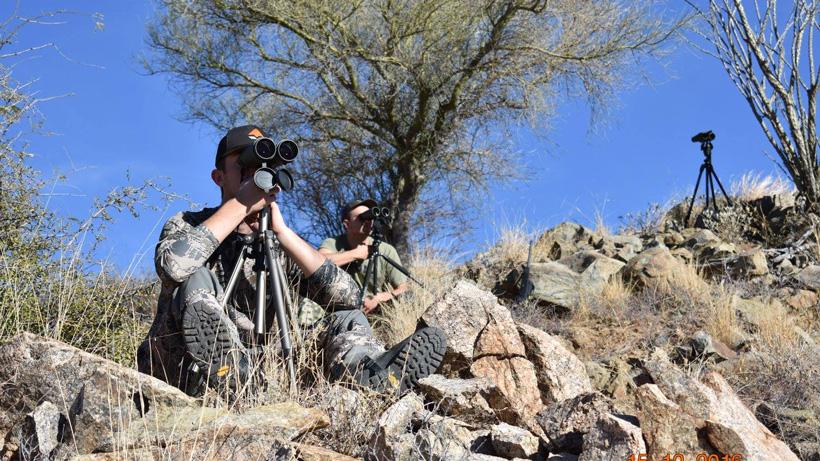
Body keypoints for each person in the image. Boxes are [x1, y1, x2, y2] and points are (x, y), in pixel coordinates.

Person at [136, 125, 445, 396]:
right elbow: (173, 267)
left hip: (258, 367)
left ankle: (370, 373)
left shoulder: (278, 243)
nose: (257, 176)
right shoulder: (189, 224)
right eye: (245, 167)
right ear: (218, 177)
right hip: (183, 364)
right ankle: (225, 368)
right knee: (193, 276)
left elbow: (349, 298)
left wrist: (283, 234)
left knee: (348, 320)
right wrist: (241, 204)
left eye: (264, 168)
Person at [319, 199, 409, 315]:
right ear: (347, 224)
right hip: (340, 307)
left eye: (370, 216)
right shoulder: (333, 243)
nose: (367, 220)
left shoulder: (386, 250)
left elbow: (404, 287)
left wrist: (381, 298)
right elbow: (317, 263)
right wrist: (356, 254)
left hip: (374, 311)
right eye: (361, 217)